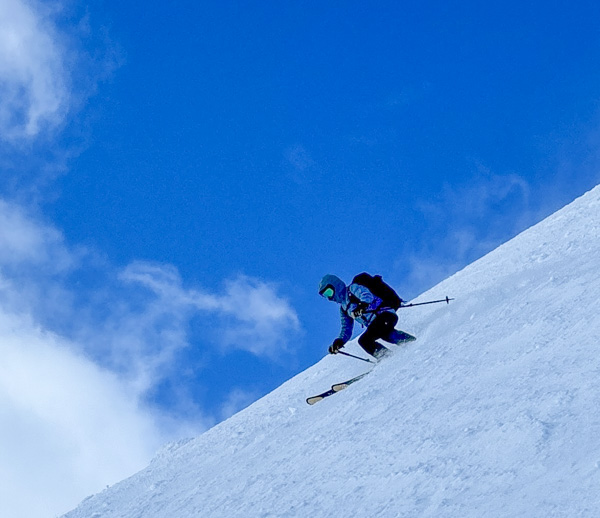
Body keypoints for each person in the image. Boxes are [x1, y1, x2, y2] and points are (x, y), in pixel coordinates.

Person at [318, 273, 414, 359]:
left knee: (365, 340)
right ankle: (410, 343)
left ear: (336, 286)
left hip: (385, 314)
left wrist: (362, 306)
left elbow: (367, 295)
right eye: (326, 296)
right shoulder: (344, 309)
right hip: (377, 323)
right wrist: (339, 341)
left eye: (329, 292)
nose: (330, 297)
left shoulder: (352, 289)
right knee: (386, 334)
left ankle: (387, 357)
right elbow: (346, 329)